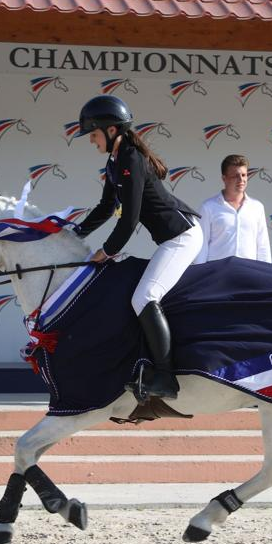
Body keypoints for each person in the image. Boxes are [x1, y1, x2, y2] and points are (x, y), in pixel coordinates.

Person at [76, 95, 203, 401]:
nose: (91, 141)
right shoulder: (115, 161)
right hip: (172, 238)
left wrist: (105, 251)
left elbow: (129, 218)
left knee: (144, 296)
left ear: (110, 130)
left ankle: (166, 378)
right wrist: (74, 232)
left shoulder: (131, 158)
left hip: (182, 237)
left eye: (93, 135)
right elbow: (107, 207)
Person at [195, 154, 272, 264]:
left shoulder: (257, 207)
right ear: (224, 178)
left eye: (244, 175)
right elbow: (201, 246)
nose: (241, 180)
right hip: (218, 274)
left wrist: (266, 275)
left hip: (248, 273)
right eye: (235, 176)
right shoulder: (208, 207)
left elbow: (263, 246)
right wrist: (200, 275)